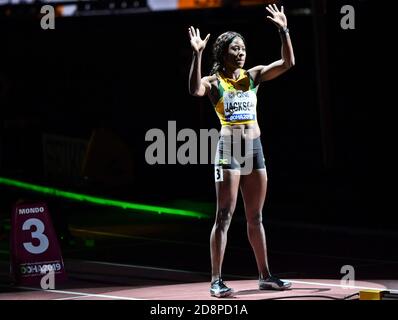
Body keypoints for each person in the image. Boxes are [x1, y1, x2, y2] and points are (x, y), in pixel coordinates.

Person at [188, 4, 295, 298]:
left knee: (255, 217)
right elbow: (194, 90)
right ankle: (216, 280)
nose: (241, 53)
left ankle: (265, 276)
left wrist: (284, 30)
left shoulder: (253, 76)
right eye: (235, 49)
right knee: (223, 215)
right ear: (223, 53)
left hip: (254, 149)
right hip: (229, 150)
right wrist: (197, 54)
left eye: (244, 48)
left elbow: (287, 63)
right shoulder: (214, 82)